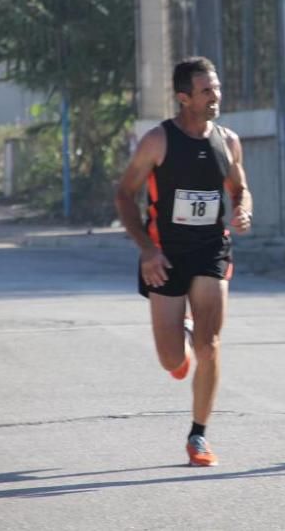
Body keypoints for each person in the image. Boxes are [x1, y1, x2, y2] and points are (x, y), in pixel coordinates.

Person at [115, 56, 252, 467]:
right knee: (171, 359)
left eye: (217, 88)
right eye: (206, 91)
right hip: (166, 255)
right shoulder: (158, 141)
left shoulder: (227, 140)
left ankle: (198, 436)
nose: (216, 96)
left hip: (211, 249)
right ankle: (184, 340)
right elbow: (125, 195)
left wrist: (242, 208)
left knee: (212, 346)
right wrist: (146, 249)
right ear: (183, 98)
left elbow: (239, 187)